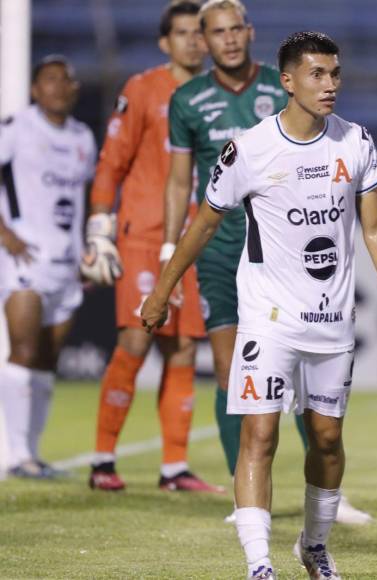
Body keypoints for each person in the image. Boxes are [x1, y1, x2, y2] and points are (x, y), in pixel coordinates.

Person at [142, 31, 377, 580]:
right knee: (260, 435)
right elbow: (205, 222)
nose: (330, 84)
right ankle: (258, 562)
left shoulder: (354, 141)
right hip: (268, 319)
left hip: (333, 320)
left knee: (328, 440)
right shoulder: (249, 149)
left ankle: (313, 546)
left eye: (335, 73)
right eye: (317, 74)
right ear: (287, 81)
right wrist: (164, 287)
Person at [162, 0, 372, 524]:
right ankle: (248, 498)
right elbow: (178, 180)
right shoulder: (187, 100)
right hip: (223, 252)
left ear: (250, 33)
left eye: (238, 29)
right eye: (218, 31)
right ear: (203, 39)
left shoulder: (290, 92)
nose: (230, 39)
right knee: (235, 372)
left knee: (311, 389)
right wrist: (170, 254)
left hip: (290, 253)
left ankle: (322, 493)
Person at [83, 0, 221, 493]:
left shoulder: (218, 95)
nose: (192, 41)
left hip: (195, 236)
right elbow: (112, 160)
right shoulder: (143, 89)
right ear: (165, 42)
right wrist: (99, 221)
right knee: (137, 339)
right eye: (182, 33)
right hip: (143, 232)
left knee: (183, 348)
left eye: (198, 32)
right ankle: (102, 459)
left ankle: (173, 468)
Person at [0, 55, 96, 478]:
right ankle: (16, 454)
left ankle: (32, 455)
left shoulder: (83, 137)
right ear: (35, 89)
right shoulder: (17, 128)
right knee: (22, 348)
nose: (58, 86)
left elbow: (83, 198)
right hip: (25, 258)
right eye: (49, 80)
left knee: (46, 357)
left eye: (66, 79)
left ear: (75, 89)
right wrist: (5, 234)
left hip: (67, 262)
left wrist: (85, 252)